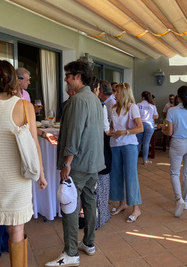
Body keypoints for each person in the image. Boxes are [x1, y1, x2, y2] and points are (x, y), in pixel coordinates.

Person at [0, 60, 47, 266]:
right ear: (13, 78)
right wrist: (40, 174)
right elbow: (34, 145)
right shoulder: (24, 105)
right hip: (17, 177)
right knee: (16, 228)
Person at [46, 60, 105, 267]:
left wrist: (67, 162)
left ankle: (71, 252)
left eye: (68, 75)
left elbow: (74, 134)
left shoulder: (79, 100)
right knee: (89, 202)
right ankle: (88, 243)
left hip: (79, 163)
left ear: (78, 77)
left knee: (68, 204)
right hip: (94, 162)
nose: (65, 79)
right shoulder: (94, 99)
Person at [109, 82, 143, 223]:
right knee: (116, 176)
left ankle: (136, 208)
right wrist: (111, 132)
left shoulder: (132, 108)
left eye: (116, 91)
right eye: (114, 91)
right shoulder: (112, 108)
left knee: (130, 175)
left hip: (129, 145)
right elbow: (111, 127)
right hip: (115, 145)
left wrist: (124, 132)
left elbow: (140, 128)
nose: (114, 94)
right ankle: (122, 204)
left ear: (123, 93)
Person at [162, 86, 187, 217]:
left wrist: (163, 130)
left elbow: (170, 132)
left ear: (178, 97)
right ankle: (186, 201)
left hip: (178, 143)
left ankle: (179, 199)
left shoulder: (172, 111)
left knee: (174, 173)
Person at [88, 77, 112, 230]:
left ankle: (92, 217)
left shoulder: (77, 103)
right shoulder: (100, 106)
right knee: (101, 182)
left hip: (87, 151)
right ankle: (100, 216)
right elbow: (105, 129)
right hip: (99, 148)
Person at [137, 91, 159, 165]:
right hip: (149, 125)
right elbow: (156, 116)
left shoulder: (138, 105)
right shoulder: (152, 106)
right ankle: (145, 160)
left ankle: (135, 159)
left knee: (138, 143)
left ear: (142, 97)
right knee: (146, 143)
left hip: (139, 124)